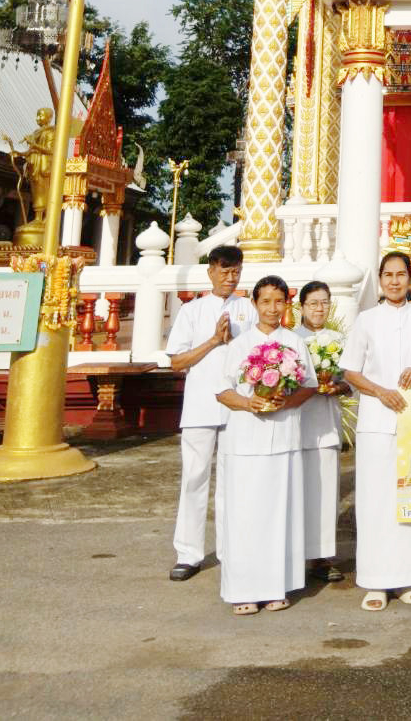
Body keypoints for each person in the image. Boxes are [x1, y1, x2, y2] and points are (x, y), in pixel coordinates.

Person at [341, 251, 411, 612]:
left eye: (401, 275)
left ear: (410, 279)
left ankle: (409, 577)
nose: (394, 281)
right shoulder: (366, 319)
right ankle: (375, 580)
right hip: (375, 418)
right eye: (388, 275)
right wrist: (379, 391)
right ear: (381, 280)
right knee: (375, 500)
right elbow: (350, 371)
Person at [215, 275, 317, 615]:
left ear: (287, 304)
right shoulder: (240, 344)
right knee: (245, 515)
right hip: (246, 439)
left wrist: (287, 402)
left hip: (284, 436)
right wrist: (249, 403)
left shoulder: (295, 342)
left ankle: (277, 586)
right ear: (255, 304)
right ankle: (243, 589)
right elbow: (222, 391)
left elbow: (309, 386)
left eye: (279, 301)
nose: (273, 308)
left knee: (279, 514)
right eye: (266, 301)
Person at [165, 244, 255, 581]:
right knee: (194, 478)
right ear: (211, 272)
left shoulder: (249, 310)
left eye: (236, 272)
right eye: (224, 271)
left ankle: (232, 549)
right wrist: (214, 341)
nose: (230, 278)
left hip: (237, 406)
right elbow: (177, 361)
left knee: (234, 481)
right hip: (200, 405)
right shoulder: (192, 311)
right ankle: (188, 553)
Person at [296, 280, 345, 584]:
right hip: (297, 425)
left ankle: (322, 556)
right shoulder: (291, 340)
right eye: (313, 303)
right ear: (301, 307)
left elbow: (350, 379)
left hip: (326, 424)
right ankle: (295, 554)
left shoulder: (338, 340)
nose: (319, 308)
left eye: (324, 302)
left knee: (326, 493)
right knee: (298, 493)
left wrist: (338, 386)